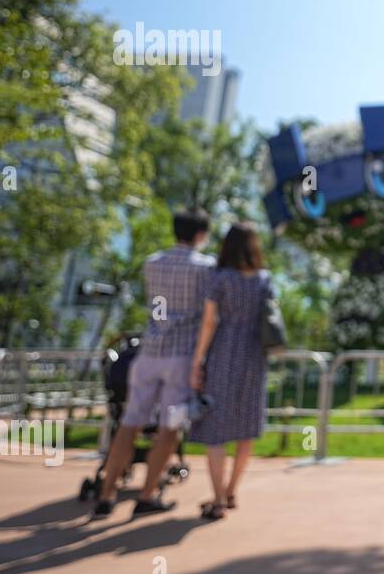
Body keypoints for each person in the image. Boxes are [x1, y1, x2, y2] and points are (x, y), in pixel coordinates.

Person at [93, 208, 214, 518]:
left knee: (129, 423)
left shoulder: (152, 263)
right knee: (169, 428)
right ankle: (147, 494)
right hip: (181, 356)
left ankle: (107, 493)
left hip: (149, 353)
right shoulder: (205, 268)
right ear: (201, 235)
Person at [188, 221, 274, 521]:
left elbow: (209, 322)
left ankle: (218, 498)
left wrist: (197, 361)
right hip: (255, 354)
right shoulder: (264, 278)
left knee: (216, 426)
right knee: (245, 424)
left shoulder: (220, 278)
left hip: (224, 351)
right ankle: (232, 490)